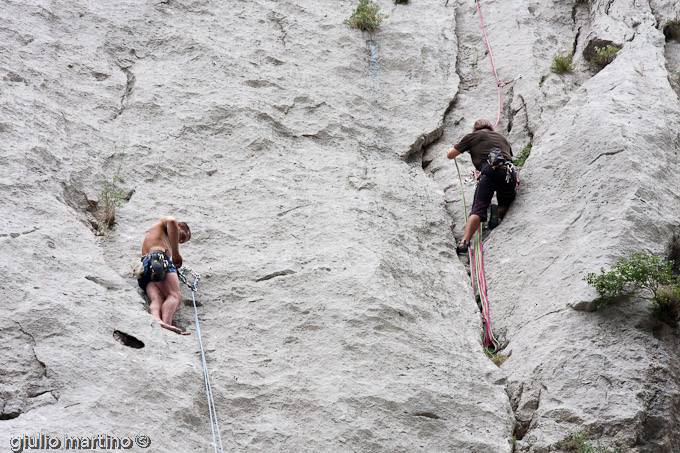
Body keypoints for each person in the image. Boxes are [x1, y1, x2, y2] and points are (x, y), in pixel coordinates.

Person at [446, 119, 517, 254]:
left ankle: (464, 243)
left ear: (475, 129)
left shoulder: (472, 137)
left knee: (478, 209)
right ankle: (497, 213)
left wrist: (451, 149)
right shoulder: (502, 138)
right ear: (490, 128)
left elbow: (451, 155)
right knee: (506, 200)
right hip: (508, 173)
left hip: (489, 173)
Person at [136, 216, 192, 334]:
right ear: (180, 225)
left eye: (182, 242)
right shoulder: (164, 223)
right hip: (159, 258)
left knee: (157, 298)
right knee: (175, 295)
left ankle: (157, 320)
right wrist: (176, 254)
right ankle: (167, 326)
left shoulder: (158, 236)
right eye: (182, 236)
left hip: (144, 266)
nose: (180, 241)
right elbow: (172, 221)